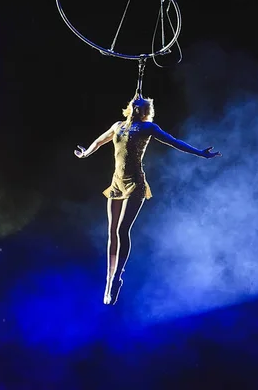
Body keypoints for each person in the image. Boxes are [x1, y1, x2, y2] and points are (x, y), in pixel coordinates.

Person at [74, 95, 221, 305]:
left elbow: (175, 142)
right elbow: (99, 141)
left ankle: (118, 276)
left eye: (141, 106)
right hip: (117, 183)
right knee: (111, 232)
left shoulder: (148, 128)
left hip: (135, 184)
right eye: (135, 103)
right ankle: (108, 282)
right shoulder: (118, 126)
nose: (137, 105)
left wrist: (200, 153)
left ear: (145, 112)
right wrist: (86, 153)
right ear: (130, 107)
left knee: (122, 230)